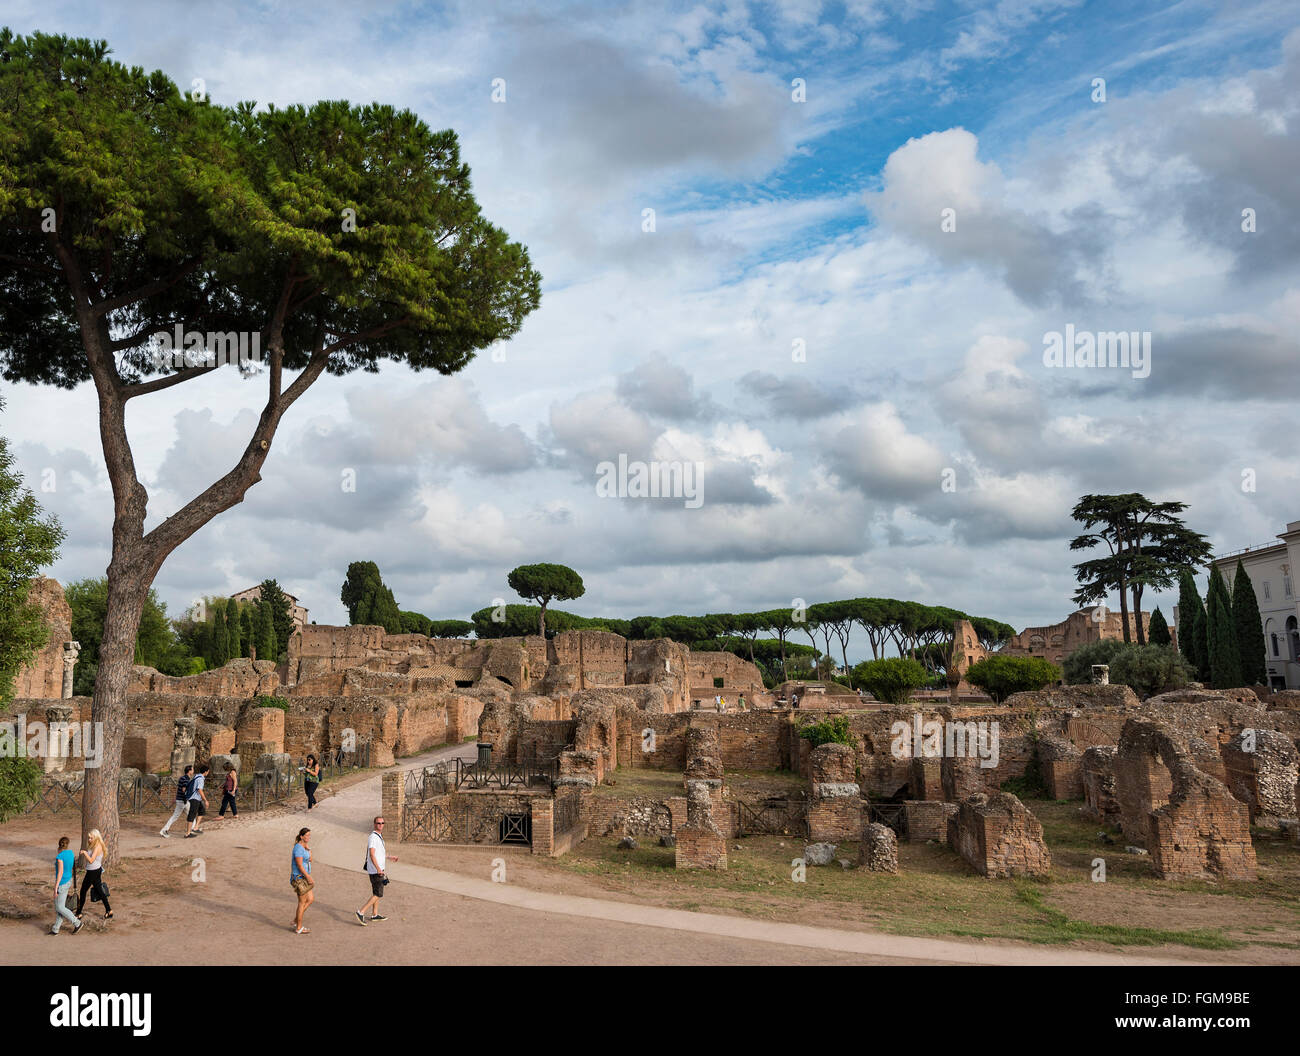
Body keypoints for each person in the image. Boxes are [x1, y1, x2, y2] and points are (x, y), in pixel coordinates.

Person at [356, 816, 397, 925]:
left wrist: (389, 857)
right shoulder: (373, 837)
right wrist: (379, 869)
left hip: (377, 869)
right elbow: (372, 854)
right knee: (378, 894)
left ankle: (374, 914)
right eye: (378, 823)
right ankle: (361, 912)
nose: (380, 825)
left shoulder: (378, 836)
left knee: (376, 892)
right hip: (376, 870)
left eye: (382, 823)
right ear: (374, 824)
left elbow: (379, 853)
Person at [75, 829, 112, 920]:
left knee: (83, 891)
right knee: (100, 891)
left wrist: (84, 852)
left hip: (93, 872)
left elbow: (91, 860)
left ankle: (79, 913)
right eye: (89, 838)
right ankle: (109, 910)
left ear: (96, 837)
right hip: (94, 870)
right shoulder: (95, 845)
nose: (89, 839)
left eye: (91, 838)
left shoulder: (98, 846)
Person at [51, 836, 82, 935]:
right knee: (60, 906)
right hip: (69, 880)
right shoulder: (70, 853)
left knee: (60, 907)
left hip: (62, 883)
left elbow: (60, 873)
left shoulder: (60, 857)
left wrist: (55, 888)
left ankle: (77, 923)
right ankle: (55, 929)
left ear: (59, 846)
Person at [290, 827, 314, 934]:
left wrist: (308, 849)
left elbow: (310, 859)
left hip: (304, 877)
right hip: (299, 878)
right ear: (301, 836)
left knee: (311, 899)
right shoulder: (298, 848)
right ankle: (299, 927)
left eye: (309, 835)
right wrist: (308, 877)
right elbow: (299, 865)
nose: (309, 837)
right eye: (307, 835)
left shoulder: (304, 847)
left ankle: (296, 919)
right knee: (302, 902)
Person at [160, 765, 194, 837]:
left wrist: (176, 798)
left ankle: (193, 829)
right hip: (183, 801)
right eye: (192, 770)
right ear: (189, 771)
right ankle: (164, 830)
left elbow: (178, 789)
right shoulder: (186, 779)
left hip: (181, 800)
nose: (193, 771)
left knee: (191, 815)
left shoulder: (182, 778)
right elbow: (184, 790)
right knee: (176, 816)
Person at [185, 763, 209, 838]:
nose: (208, 773)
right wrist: (205, 800)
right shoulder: (200, 779)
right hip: (194, 799)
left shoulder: (196, 776)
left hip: (196, 799)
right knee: (192, 815)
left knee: (202, 811)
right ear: (205, 772)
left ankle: (195, 828)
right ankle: (187, 833)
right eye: (208, 771)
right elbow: (199, 790)